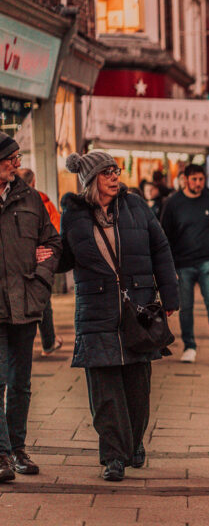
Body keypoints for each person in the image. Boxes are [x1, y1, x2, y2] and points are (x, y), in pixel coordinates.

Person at [59, 151, 178, 481]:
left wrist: (170, 295)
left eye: (116, 171)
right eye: (106, 172)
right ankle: (113, 456)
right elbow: (63, 258)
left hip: (136, 306)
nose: (115, 177)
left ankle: (135, 442)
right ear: (90, 180)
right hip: (96, 310)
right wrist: (41, 251)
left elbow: (160, 248)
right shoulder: (74, 214)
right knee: (104, 388)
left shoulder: (135, 205)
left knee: (137, 387)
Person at [0, 134, 61, 482]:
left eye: (17, 157)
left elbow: (52, 241)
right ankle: (1, 453)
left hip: (25, 304)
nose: (16, 163)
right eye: (10, 158)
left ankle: (17, 448)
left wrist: (41, 276)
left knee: (20, 382)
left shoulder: (31, 199)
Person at [160, 165, 209, 365]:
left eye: (201, 179)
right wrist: (169, 265)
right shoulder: (173, 203)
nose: (198, 183)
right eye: (194, 179)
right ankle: (189, 346)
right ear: (185, 179)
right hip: (182, 264)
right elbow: (164, 235)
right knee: (186, 307)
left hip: (208, 260)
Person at [17, 168, 64, 357]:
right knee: (43, 301)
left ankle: (43, 342)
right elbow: (56, 229)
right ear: (33, 182)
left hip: (24, 265)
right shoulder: (43, 201)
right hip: (38, 262)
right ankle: (48, 341)